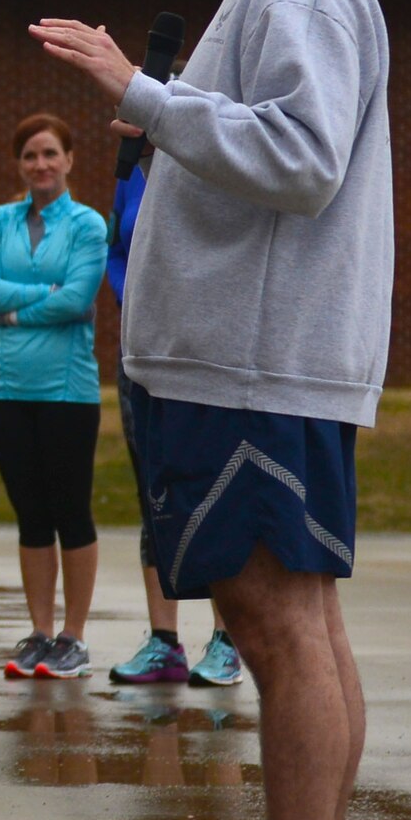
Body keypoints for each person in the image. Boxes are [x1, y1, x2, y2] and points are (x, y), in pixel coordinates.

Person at [34, 0, 391, 820]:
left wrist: (135, 93)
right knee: (291, 621)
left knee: (278, 625)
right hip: (250, 363)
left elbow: (300, 156)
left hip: (255, 366)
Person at [0, 114, 108, 680]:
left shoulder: (87, 225)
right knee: (29, 514)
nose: (41, 165)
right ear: (18, 164)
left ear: (70, 159)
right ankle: (40, 632)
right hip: (6, 387)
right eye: (30, 155)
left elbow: (77, 298)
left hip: (67, 392)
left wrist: (17, 309)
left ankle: (73, 636)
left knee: (69, 510)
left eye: (51, 153)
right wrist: (43, 293)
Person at [103, 133, 242, 690]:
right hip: (141, 353)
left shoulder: (217, 174)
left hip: (201, 356)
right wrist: (131, 299)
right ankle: (165, 644)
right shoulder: (130, 177)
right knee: (153, 494)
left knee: (213, 497)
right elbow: (118, 253)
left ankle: (227, 642)